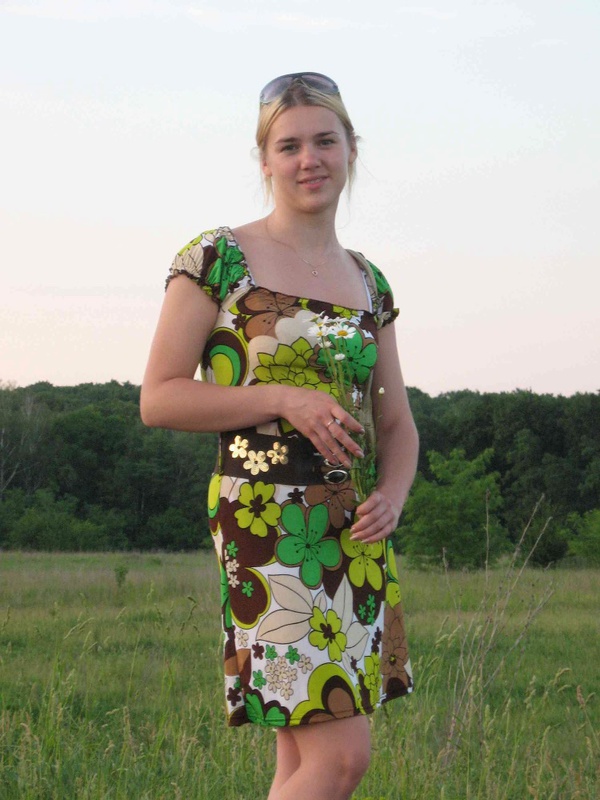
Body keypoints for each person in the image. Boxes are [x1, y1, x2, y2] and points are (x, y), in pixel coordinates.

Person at [141, 71, 419, 800]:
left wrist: (392, 495)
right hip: (266, 518)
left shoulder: (369, 282)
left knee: (300, 759)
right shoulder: (217, 258)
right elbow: (159, 397)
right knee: (341, 758)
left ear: (351, 148)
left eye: (325, 141)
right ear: (264, 159)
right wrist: (281, 397)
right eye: (289, 145)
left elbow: (395, 420)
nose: (309, 159)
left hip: (353, 531)